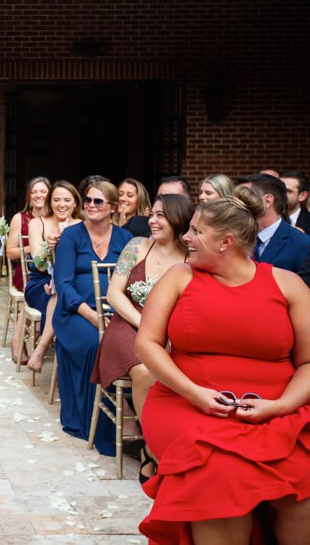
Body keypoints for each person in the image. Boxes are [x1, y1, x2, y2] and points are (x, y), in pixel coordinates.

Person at [135, 188, 310, 544]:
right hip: (186, 405)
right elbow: (147, 344)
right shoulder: (179, 278)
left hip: (278, 414)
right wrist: (195, 393)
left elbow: (309, 362)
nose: (186, 237)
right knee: (220, 478)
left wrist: (280, 406)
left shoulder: (288, 285)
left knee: (303, 493)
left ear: (226, 242)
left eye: (196, 231)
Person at [91, 194, 192, 482]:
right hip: (127, 325)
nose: (153, 221)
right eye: (153, 215)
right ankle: (153, 448)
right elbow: (113, 294)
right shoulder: (137, 246)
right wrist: (146, 325)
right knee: (148, 372)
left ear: (177, 219)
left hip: (171, 330)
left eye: (161, 215)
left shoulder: (189, 256)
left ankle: (179, 440)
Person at [51, 179, 133, 455]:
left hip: (115, 312)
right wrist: (94, 316)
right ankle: (93, 424)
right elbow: (63, 285)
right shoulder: (72, 237)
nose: (90, 205)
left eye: (98, 201)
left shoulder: (126, 240)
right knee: (96, 343)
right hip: (75, 313)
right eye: (87, 200)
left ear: (112, 207)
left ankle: (127, 415)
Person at [25, 181, 82, 373]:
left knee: (63, 292)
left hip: (72, 279)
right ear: (50, 202)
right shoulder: (37, 223)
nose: (62, 204)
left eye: (67, 200)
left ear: (75, 203)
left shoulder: (82, 225)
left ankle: (46, 349)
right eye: (56, 200)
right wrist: (48, 245)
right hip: (41, 281)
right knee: (60, 295)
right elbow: (38, 263)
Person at [7, 176, 51, 362]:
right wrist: (33, 247)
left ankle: (34, 335)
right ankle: (25, 339)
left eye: (43, 191)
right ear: (28, 196)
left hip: (48, 270)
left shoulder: (53, 218)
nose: (38, 195)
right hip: (25, 271)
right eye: (34, 191)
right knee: (39, 287)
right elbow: (10, 252)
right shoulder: (20, 218)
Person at [245, 174, 310, 273]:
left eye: (246, 197)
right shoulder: (235, 236)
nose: (238, 202)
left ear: (267, 201)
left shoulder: (302, 244)